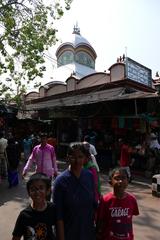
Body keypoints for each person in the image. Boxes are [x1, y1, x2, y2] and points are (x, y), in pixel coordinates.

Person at [53, 142, 97, 240]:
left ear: (85, 158)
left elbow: (94, 205)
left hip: (87, 231)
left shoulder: (89, 176)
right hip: (69, 233)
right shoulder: (60, 181)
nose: (77, 161)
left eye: (80, 157)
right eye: (73, 157)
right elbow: (58, 215)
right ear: (68, 158)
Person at [96, 167, 139, 240]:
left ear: (128, 180)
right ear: (110, 182)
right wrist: (98, 234)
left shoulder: (132, 200)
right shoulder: (105, 200)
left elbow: (129, 220)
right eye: (117, 178)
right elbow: (100, 221)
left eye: (123, 178)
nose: (120, 181)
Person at [12, 172, 56, 240]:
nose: (37, 192)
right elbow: (16, 237)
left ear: (48, 191)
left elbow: (60, 230)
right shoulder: (24, 215)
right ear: (29, 192)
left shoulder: (53, 209)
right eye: (33, 189)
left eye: (41, 188)